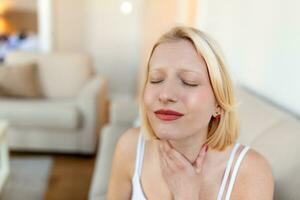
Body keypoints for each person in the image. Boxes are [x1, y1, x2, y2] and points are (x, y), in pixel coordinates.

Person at [107, 26, 274, 200]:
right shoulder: (130, 147)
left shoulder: (251, 173)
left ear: (218, 103)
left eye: (189, 82)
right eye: (156, 79)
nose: (165, 95)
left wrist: (187, 195)